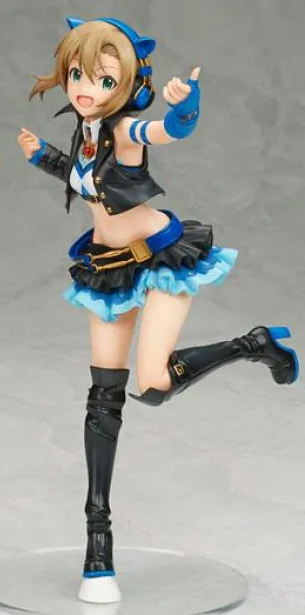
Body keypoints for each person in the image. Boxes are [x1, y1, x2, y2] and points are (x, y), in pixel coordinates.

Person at [18, 15, 298, 604]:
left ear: (127, 82)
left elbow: (167, 131)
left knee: (151, 383)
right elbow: (86, 181)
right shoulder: (87, 130)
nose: (86, 87)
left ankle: (252, 345)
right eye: (78, 74)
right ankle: (98, 544)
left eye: (103, 79)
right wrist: (42, 156)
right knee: (103, 397)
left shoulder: (124, 129)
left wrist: (185, 106)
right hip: (106, 266)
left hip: (162, 258)